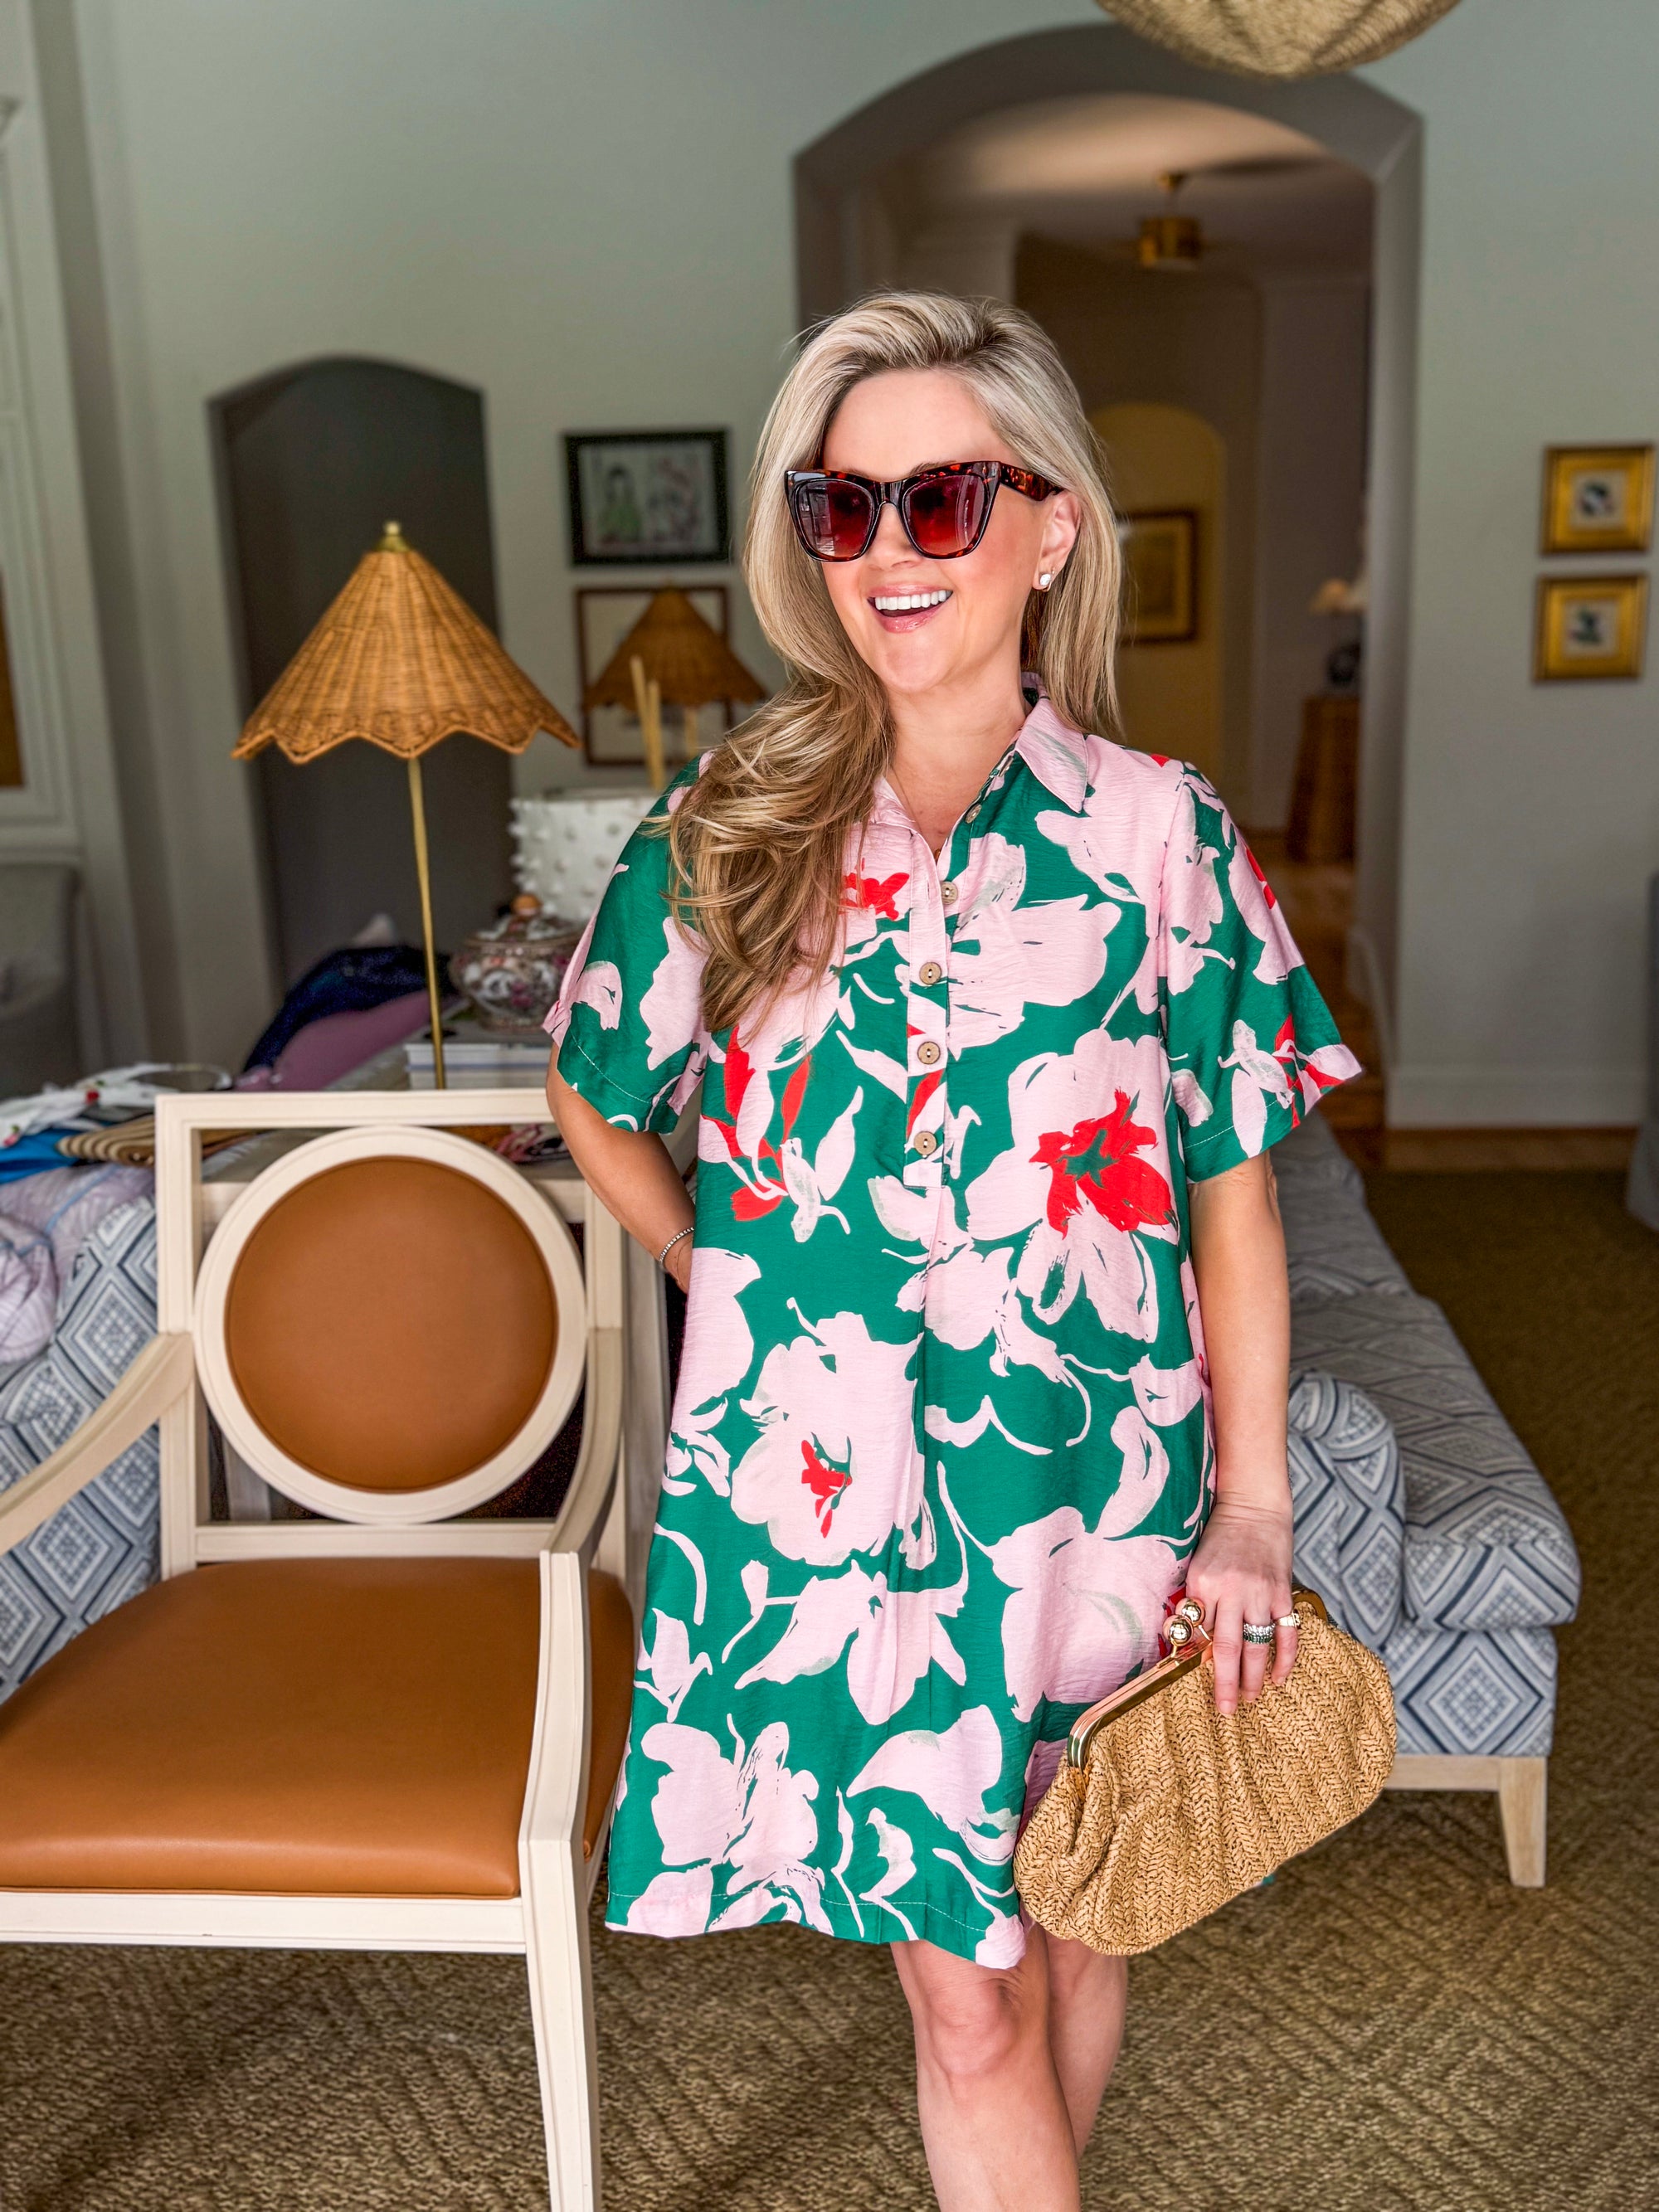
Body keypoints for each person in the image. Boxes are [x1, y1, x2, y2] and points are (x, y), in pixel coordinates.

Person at [546, 290, 1358, 2212]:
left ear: (1050, 524)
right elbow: (594, 1089)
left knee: (1077, 1912)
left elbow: (1235, 1192)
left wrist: (1254, 1512)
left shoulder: (1161, 838)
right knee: (965, 1995)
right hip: (828, 1503)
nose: (887, 551)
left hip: (1097, 1480)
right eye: (842, 507)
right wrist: (732, 1280)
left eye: (941, 499)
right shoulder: (730, 826)